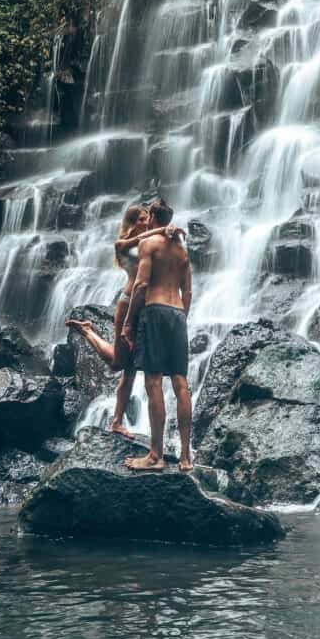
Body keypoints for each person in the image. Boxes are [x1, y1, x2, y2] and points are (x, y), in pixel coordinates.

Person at [65, 204, 181, 436]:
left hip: (148, 308)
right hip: (127, 304)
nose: (145, 221)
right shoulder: (124, 245)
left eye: (147, 217)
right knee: (117, 363)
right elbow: (132, 247)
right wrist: (164, 229)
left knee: (129, 369)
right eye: (140, 218)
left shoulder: (150, 243)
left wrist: (168, 232)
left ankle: (117, 421)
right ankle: (88, 331)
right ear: (131, 222)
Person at [122, 197, 193, 472]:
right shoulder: (182, 251)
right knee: (180, 383)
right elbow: (187, 292)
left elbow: (140, 285)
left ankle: (155, 455)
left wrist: (129, 321)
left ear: (152, 217)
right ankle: (186, 457)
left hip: (154, 311)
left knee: (153, 383)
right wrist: (181, 318)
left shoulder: (148, 244)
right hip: (177, 314)